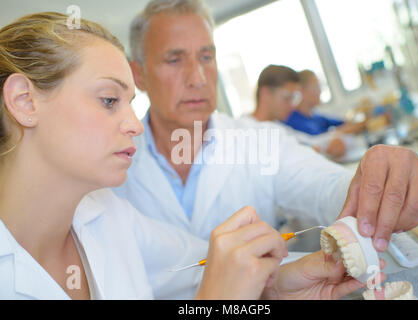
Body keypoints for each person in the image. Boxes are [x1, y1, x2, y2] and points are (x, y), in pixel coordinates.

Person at [0, 11, 384, 301]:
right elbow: (212, 286)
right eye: (109, 100)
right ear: (24, 101)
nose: (133, 123)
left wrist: (279, 283)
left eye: (207, 57)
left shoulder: (105, 217)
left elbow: (204, 267)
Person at [115, 0, 418, 255]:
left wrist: (375, 183)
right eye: (174, 60)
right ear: (138, 74)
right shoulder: (110, 169)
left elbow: (322, 185)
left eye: (206, 57)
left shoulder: (258, 140)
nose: (198, 77)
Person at [249, 64, 348, 159]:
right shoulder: (246, 132)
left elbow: (310, 142)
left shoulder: (279, 127)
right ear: (265, 93)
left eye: (294, 98)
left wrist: (333, 141)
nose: (292, 106)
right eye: (287, 98)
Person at [284, 70, 366, 135]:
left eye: (319, 87)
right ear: (301, 91)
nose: (319, 91)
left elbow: (343, 123)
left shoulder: (316, 116)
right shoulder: (293, 121)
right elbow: (320, 140)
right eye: (315, 87)